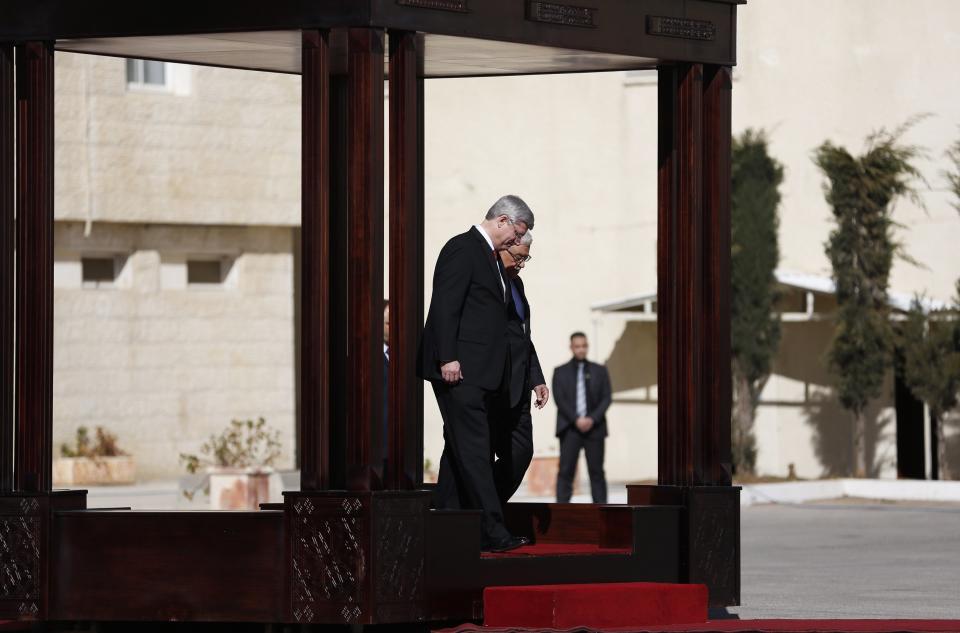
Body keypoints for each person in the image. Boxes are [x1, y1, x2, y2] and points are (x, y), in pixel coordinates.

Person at [417, 194, 534, 553]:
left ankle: (447, 525)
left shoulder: (493, 262)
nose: (516, 243)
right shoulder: (463, 248)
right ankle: (492, 532)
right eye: (516, 235)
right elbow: (445, 306)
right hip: (459, 372)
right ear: (501, 220)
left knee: (459, 452)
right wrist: (448, 358)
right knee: (476, 452)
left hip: (483, 376)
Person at [491, 231, 549, 503]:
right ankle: (481, 512)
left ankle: (486, 505)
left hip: (519, 387)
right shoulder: (488, 280)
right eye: (518, 258)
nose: (521, 264)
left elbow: (522, 336)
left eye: (526, 259)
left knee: (521, 453)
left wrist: (536, 378)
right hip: (493, 385)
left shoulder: (518, 285)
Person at [553, 332, 611, 503]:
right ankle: (561, 513)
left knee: (597, 472)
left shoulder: (600, 370)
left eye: (584, 346)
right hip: (570, 429)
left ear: (587, 346)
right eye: (577, 346)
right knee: (566, 471)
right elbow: (559, 398)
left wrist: (592, 419)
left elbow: (606, 397)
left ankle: (602, 514)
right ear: (571, 347)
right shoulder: (560, 372)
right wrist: (576, 419)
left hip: (595, 429)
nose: (581, 350)